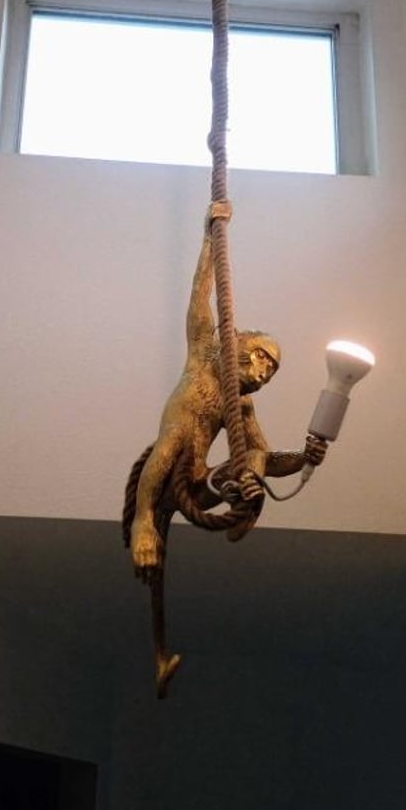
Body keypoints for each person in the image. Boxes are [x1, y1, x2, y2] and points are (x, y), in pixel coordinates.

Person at [129, 202, 326, 578]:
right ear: (235, 341)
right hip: (163, 474)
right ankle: (144, 520)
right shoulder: (204, 354)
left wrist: (305, 458)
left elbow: (266, 458)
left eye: (271, 370)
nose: (263, 373)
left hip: (201, 486)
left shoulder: (243, 406)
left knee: (254, 456)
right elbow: (200, 296)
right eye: (261, 357)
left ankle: (245, 508)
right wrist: (209, 237)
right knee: (172, 439)